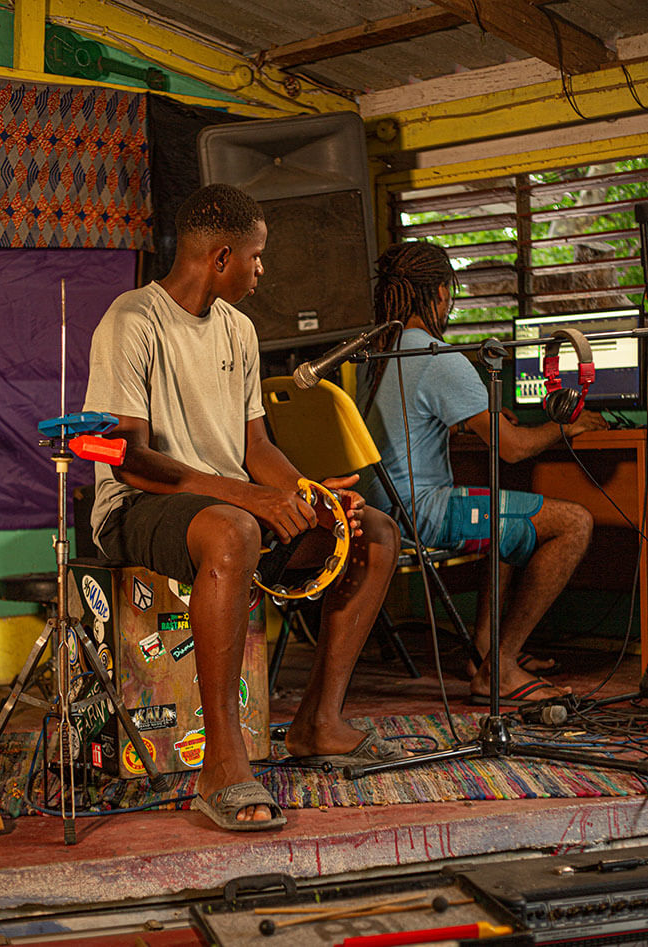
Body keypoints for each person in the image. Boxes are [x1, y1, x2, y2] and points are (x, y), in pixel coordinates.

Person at [83, 184, 401, 831]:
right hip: (141, 504)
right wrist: (249, 497)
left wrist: (302, 492)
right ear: (221, 256)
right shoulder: (132, 320)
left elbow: (256, 445)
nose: (262, 270)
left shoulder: (239, 327)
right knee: (232, 530)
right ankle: (223, 761)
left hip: (227, 503)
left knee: (371, 529)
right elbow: (131, 457)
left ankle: (318, 721)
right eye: (256, 257)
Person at [357, 241, 608, 705]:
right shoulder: (437, 357)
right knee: (575, 522)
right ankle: (500, 669)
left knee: (509, 513)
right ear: (436, 294)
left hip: (379, 511)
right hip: (419, 516)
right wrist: (563, 426)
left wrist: (462, 422)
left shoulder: (377, 357)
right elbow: (511, 451)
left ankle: (485, 652)